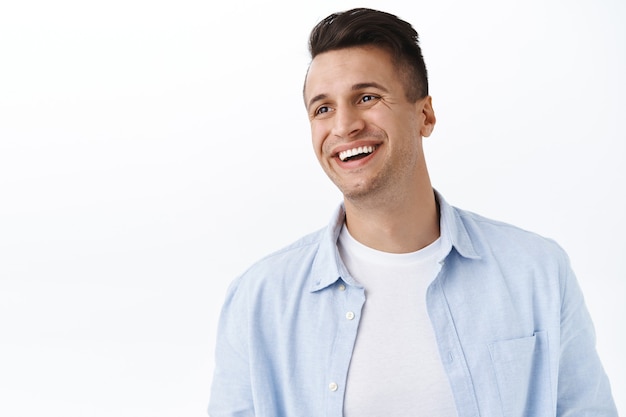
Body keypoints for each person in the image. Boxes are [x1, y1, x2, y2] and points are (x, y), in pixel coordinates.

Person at [208, 7, 617, 417]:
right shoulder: (259, 300)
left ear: (425, 115)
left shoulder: (537, 272)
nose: (344, 126)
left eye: (366, 97)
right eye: (323, 109)